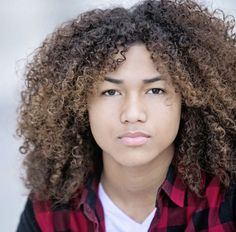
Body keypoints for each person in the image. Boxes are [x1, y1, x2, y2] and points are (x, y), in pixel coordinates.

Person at [16, 0, 236, 231]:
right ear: (80, 103)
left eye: (155, 90)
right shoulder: (50, 210)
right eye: (110, 92)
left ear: (190, 99)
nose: (132, 114)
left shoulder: (226, 200)